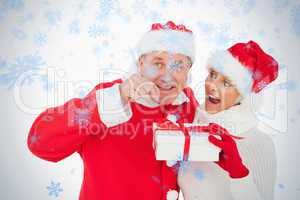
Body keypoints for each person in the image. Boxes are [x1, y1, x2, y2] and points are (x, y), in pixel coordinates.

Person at [27, 21, 199, 200]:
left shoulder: (187, 103)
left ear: (188, 72)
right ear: (141, 63)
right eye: (158, 63)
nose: (167, 75)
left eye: (178, 65)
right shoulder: (111, 97)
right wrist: (118, 96)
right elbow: (39, 142)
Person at [178, 40, 278, 200]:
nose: (211, 85)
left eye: (226, 83)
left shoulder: (259, 143)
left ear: (243, 95)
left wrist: (238, 173)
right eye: (212, 74)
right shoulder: (194, 127)